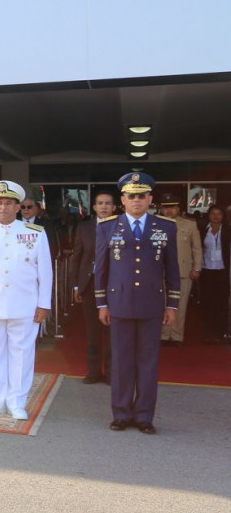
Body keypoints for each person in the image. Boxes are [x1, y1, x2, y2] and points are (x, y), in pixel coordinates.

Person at [94, 172, 180, 434]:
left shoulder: (165, 226)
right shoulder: (108, 226)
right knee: (121, 361)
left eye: (142, 196)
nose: (137, 201)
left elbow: (172, 268)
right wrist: (102, 304)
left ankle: (144, 415)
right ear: (123, 199)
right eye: (131, 196)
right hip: (119, 302)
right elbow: (101, 268)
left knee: (148, 361)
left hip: (152, 304)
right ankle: (121, 413)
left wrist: (172, 305)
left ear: (150, 198)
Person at [0, 181, 53, 420]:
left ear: (17, 208)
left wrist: (44, 305)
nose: (4, 208)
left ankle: (17, 402)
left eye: (9, 203)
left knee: (22, 354)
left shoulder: (35, 234)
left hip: (24, 305)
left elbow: (45, 272)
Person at [69, 190, 117, 383]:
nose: (104, 206)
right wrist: (75, 286)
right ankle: (94, 371)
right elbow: (77, 258)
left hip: (114, 286)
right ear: (95, 207)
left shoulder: (121, 227)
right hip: (89, 285)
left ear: (114, 207)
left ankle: (112, 373)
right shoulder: (84, 228)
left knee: (113, 332)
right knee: (92, 332)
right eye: (100, 203)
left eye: (107, 203)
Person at [157, 191, 202, 347]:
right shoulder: (155, 224)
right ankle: (163, 334)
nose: (169, 211)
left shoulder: (189, 224)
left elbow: (196, 248)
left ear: (178, 208)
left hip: (183, 270)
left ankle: (176, 336)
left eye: (173, 207)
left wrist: (197, 268)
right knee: (161, 304)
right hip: (160, 271)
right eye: (166, 208)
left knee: (180, 305)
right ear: (161, 209)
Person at [199, 205, 229, 344]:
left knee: (222, 302)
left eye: (219, 214)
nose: (216, 216)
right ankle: (209, 332)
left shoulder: (228, 230)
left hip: (223, 271)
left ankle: (221, 331)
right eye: (213, 213)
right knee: (208, 301)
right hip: (207, 270)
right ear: (208, 215)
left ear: (223, 216)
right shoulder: (203, 230)